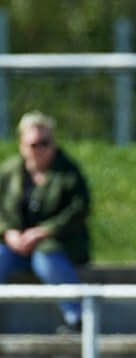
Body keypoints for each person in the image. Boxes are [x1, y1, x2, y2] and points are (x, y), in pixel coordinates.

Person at [0, 111, 90, 333]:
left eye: (45, 143)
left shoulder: (68, 172)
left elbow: (78, 210)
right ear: (22, 144)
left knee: (46, 259)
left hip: (58, 244)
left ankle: (77, 319)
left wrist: (44, 231)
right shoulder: (9, 172)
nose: (39, 149)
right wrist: (8, 232)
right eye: (33, 144)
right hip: (15, 246)